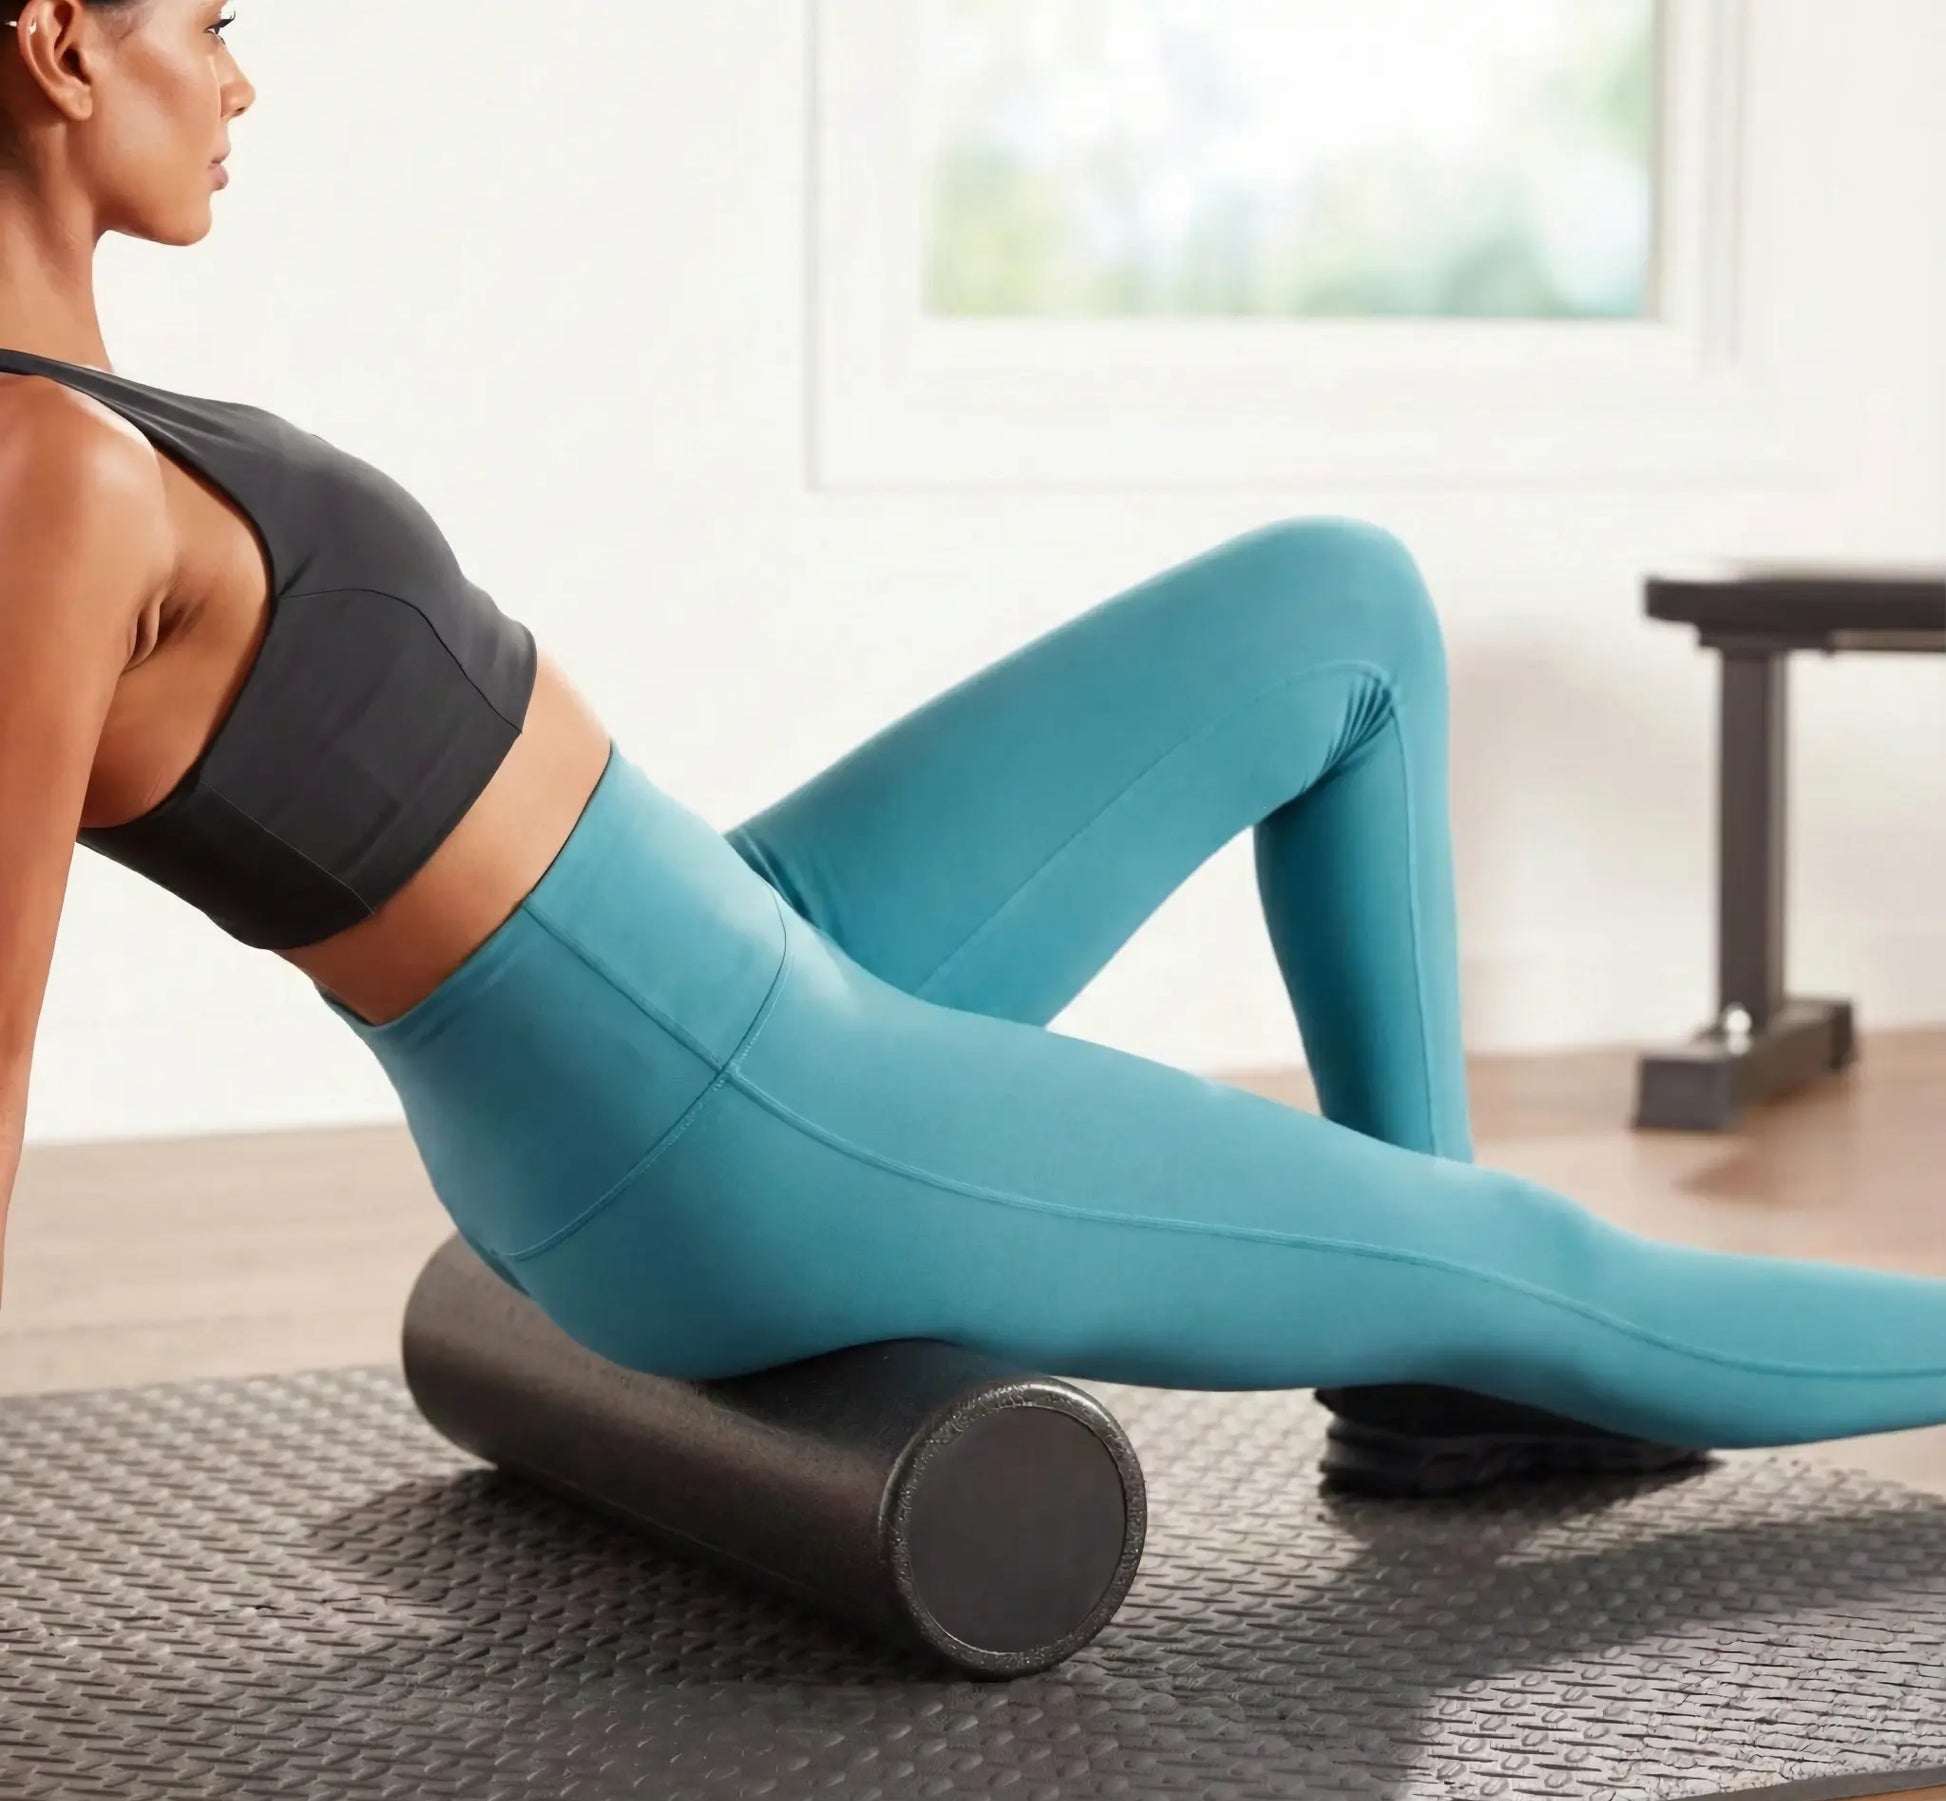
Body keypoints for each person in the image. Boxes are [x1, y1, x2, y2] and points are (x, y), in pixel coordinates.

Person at [8, 0, 1946, 1505]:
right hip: (727, 1123)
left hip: (749, 928)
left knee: (1337, 606)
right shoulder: (48, 481)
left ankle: (1434, 1366)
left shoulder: (90, 422)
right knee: (1528, 1257)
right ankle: (1463, 1308)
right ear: (60, 44)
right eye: (210, 24)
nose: (244, 82)